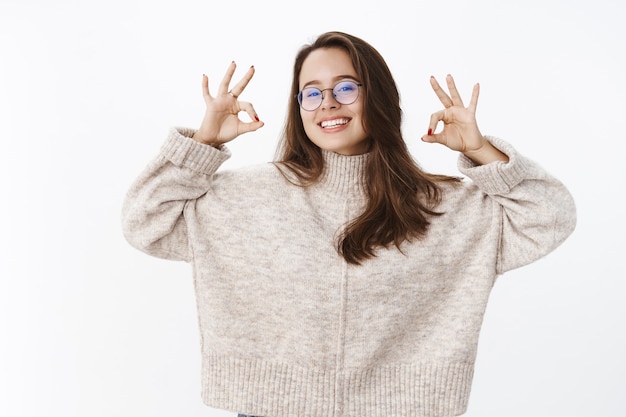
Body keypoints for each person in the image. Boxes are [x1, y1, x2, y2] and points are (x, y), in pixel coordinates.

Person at [122, 31, 576, 417]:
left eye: (345, 88)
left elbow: (550, 216)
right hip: (268, 408)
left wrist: (481, 152)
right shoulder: (243, 196)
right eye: (312, 92)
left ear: (376, 96)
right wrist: (201, 145)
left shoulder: (444, 205)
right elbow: (146, 221)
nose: (327, 104)